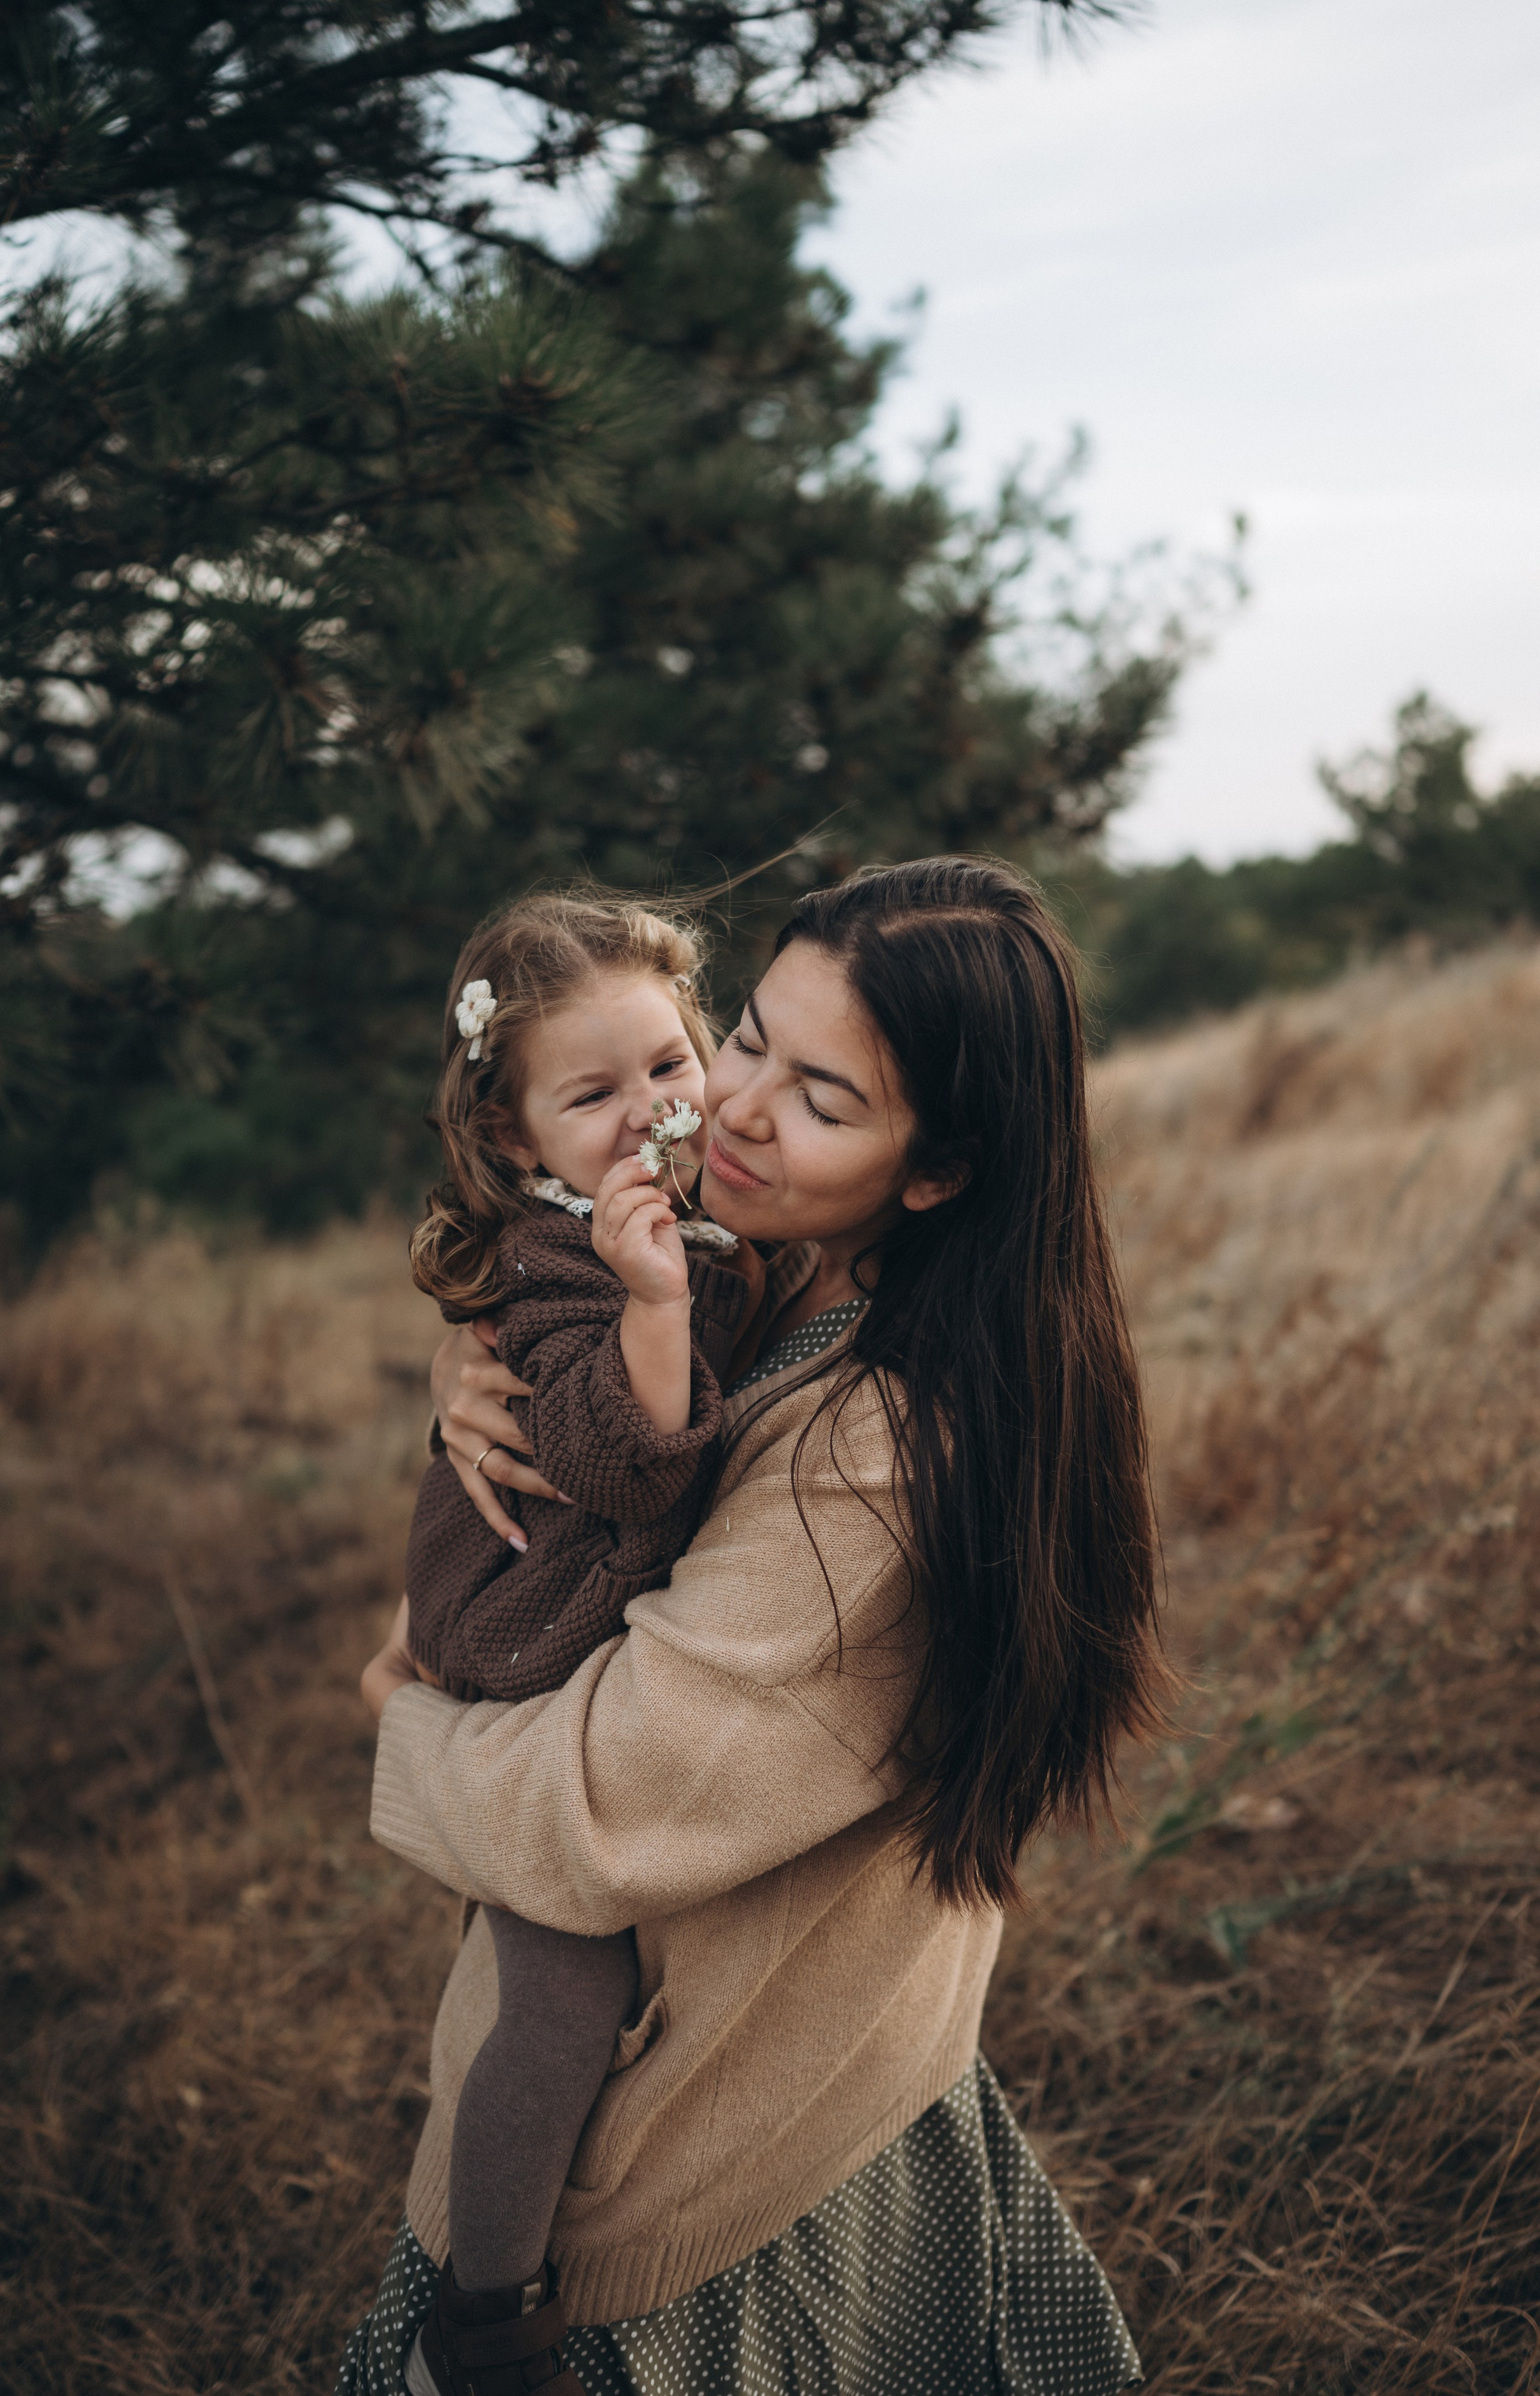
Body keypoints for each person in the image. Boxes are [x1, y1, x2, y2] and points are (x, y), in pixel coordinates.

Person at [343, 856, 1166, 2396]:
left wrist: (403, 1715)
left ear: (936, 1170)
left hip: (695, 2165)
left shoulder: (877, 1455)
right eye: (746, 1042)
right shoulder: (769, 1266)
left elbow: (597, 1812)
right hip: (755, 2075)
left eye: (824, 1099)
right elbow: (568, 1392)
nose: (728, 1109)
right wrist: (469, 1394)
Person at [398, 892, 767, 2393]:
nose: (648, 1115)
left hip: (566, 1621)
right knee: (563, 1995)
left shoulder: (686, 1215)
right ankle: (483, 2316)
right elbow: (618, 1468)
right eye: (592, 1094)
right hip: (527, 1643)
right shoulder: (563, 1273)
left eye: (669, 1066)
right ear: (509, 1140)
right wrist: (656, 1300)